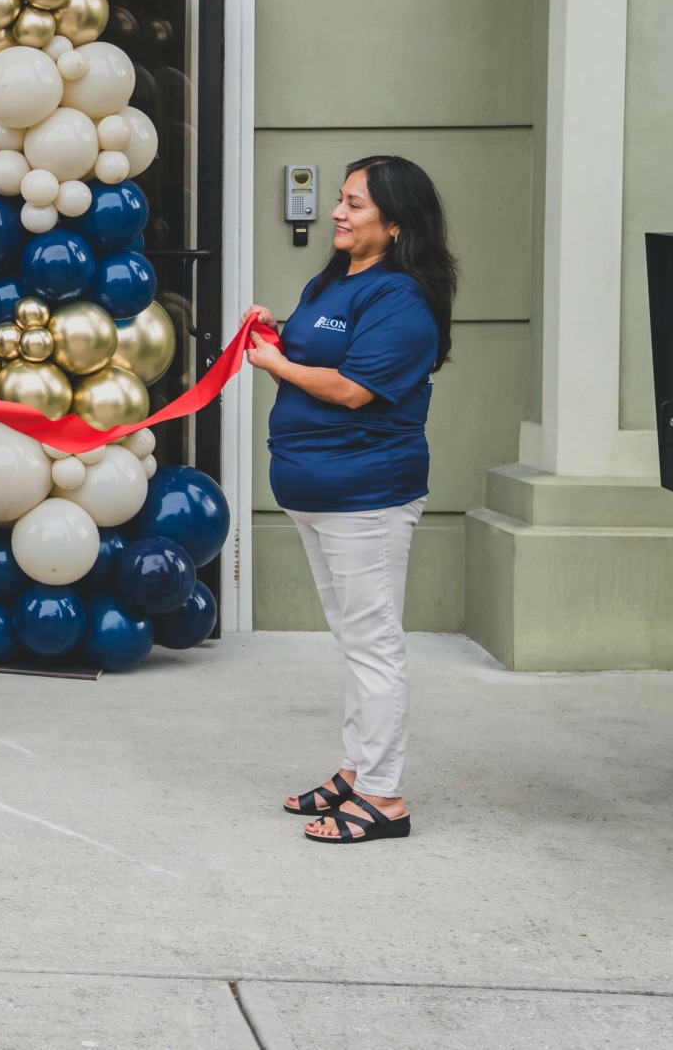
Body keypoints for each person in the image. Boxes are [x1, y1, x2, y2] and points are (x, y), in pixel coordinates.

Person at [245, 155, 457, 844]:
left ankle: (384, 797)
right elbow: (308, 362)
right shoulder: (333, 279)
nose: (337, 212)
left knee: (373, 643)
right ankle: (357, 770)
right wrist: (272, 335)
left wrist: (277, 362)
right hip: (315, 490)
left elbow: (353, 389)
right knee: (354, 639)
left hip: (367, 494)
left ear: (396, 224)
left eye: (355, 204)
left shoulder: (402, 300)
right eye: (340, 198)